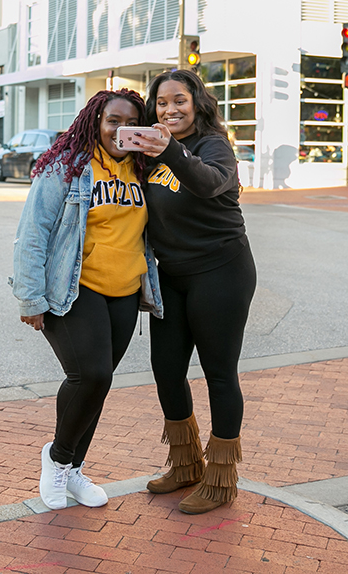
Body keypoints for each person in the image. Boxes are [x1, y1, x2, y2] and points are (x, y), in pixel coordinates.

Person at [11, 89, 164, 510]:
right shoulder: (70, 165)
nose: (119, 130)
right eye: (112, 120)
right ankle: (57, 459)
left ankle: (73, 469)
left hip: (126, 293)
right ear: (95, 120)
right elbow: (34, 231)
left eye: (129, 123)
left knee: (98, 385)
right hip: (75, 289)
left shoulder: (145, 168)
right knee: (91, 376)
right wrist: (31, 298)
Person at [124, 68, 256, 515]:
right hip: (172, 275)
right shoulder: (150, 153)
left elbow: (208, 182)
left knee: (219, 373)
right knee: (165, 369)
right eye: (161, 103)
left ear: (196, 103)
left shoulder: (212, 145)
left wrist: (172, 150)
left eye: (179, 100)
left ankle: (220, 479)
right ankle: (185, 464)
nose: (170, 109)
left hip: (221, 270)